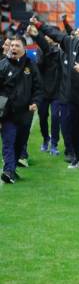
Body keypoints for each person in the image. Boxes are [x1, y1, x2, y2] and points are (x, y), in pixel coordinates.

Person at [32, 17, 79, 171]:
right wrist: (39, 25)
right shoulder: (72, 43)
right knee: (72, 129)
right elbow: (55, 35)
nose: (78, 30)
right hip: (72, 98)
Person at [0, 36, 42, 184]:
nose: (13, 48)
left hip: (25, 113)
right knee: (8, 142)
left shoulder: (31, 65)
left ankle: (12, 169)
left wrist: (35, 102)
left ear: (24, 48)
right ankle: (8, 171)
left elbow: (38, 87)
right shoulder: (3, 65)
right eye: (12, 46)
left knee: (20, 143)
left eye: (17, 46)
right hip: (7, 113)